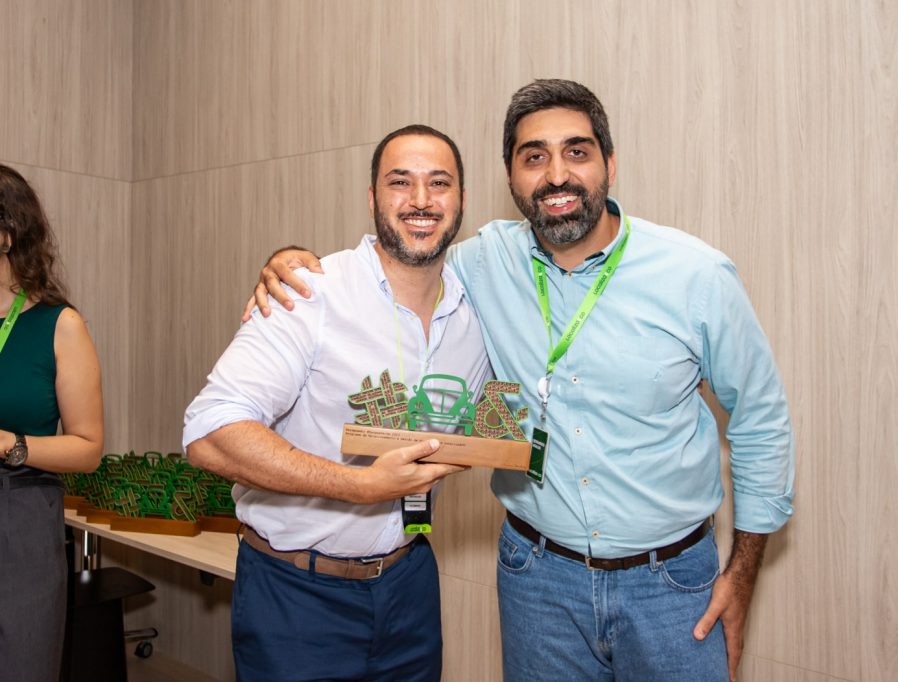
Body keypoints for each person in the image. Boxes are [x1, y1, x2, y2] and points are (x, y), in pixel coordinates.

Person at [251, 80, 795, 682]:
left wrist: (742, 575)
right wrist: (295, 263)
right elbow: (397, 260)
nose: (557, 175)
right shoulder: (480, 263)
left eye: (577, 152)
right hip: (537, 581)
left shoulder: (697, 276)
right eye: (534, 157)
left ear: (610, 164)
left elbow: (761, 419)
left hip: (671, 585)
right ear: (511, 177)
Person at [183, 125, 490, 681]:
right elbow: (210, 434)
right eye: (401, 182)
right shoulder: (310, 293)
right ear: (372, 198)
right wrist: (360, 485)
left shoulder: (479, 311)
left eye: (439, 183)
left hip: (410, 584)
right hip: (297, 593)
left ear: (462, 199)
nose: (421, 200)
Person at [0, 164, 104, 681]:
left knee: (23, 663)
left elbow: (88, 448)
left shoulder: (59, 325)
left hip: (19, 512)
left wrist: (7, 444)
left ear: (6, 235)